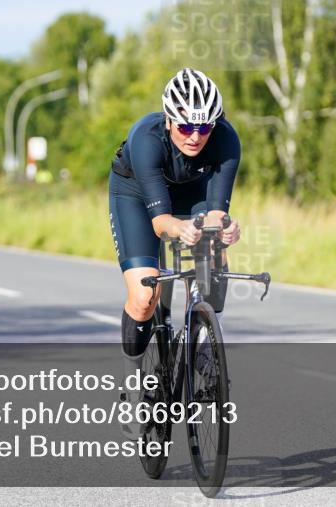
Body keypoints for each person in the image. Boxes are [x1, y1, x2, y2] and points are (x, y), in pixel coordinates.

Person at [108, 68, 242, 423]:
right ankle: (134, 382)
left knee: (214, 248)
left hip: (192, 192)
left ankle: (205, 335)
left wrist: (226, 227)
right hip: (137, 195)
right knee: (144, 297)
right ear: (169, 120)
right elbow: (160, 223)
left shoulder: (227, 140)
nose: (195, 136)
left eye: (205, 127)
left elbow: (216, 212)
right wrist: (181, 229)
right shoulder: (145, 139)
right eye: (185, 127)